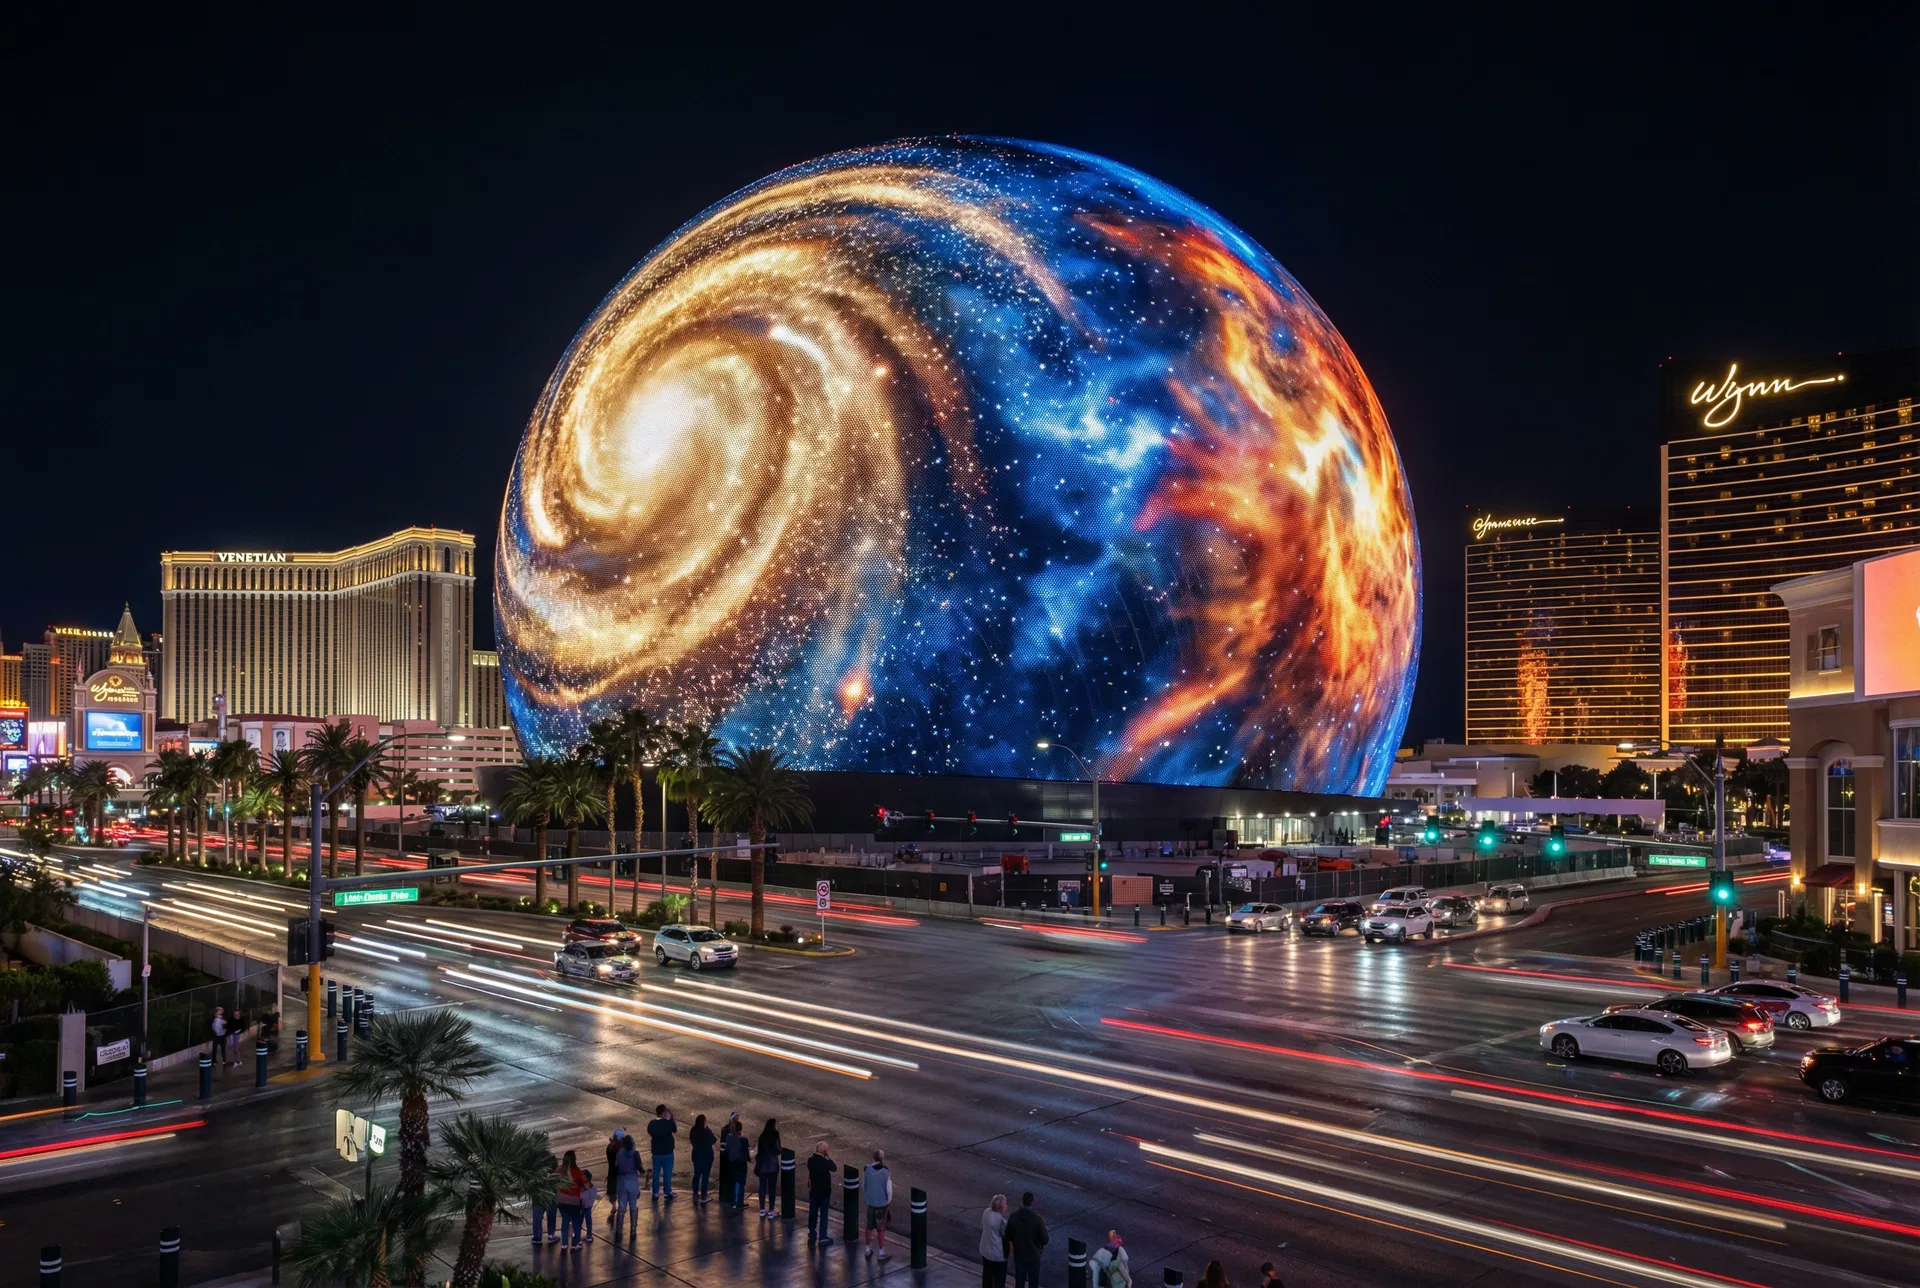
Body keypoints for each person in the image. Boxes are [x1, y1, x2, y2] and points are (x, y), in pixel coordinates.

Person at [1004, 1192, 1047, 1288]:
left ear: (1022, 1202)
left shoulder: (1013, 1217)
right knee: (1033, 1282)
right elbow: (1045, 1240)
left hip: (1019, 1254)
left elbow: (1007, 1235)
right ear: (1032, 1203)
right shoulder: (1038, 1220)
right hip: (1034, 1255)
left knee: (1019, 1281)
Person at [861, 1149, 893, 1260]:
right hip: (881, 1205)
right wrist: (887, 1202)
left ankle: (867, 1249)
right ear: (881, 1159)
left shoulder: (867, 1169)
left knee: (869, 1227)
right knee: (880, 1229)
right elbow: (889, 1191)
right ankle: (881, 1253)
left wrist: (868, 1197)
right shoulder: (885, 1172)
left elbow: (864, 1186)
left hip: (871, 1203)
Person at [806, 1140, 836, 1247]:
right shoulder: (825, 1162)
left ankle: (812, 1232)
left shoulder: (810, 1161)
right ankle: (822, 1237)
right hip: (824, 1192)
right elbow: (834, 1167)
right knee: (824, 1215)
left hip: (814, 1192)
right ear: (824, 1151)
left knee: (813, 1213)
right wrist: (827, 1157)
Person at [530, 1154, 565, 1245]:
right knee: (551, 1216)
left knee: (537, 1218)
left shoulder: (535, 1173)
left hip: (537, 1198)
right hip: (550, 1198)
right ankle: (551, 1235)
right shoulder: (554, 1175)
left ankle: (537, 1237)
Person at [555, 1149, 586, 1250]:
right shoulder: (578, 1172)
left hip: (561, 1201)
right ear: (574, 1159)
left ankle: (564, 1244)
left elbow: (554, 1182)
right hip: (574, 1201)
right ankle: (575, 1244)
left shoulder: (558, 1170)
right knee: (576, 1221)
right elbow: (587, 1185)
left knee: (565, 1220)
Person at [611, 1134, 642, 1236]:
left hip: (622, 1182)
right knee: (633, 1207)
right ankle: (633, 1231)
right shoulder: (635, 1154)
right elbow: (640, 1169)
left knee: (622, 1207)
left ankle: (619, 1232)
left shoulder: (619, 1153)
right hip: (633, 1182)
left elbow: (616, 1167)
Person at [647, 1103, 678, 1200]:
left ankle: (655, 1193)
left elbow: (650, 1132)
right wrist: (670, 1118)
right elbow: (675, 1129)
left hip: (656, 1153)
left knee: (656, 1174)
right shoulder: (668, 1123)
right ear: (664, 1112)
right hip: (667, 1153)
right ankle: (667, 1192)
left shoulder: (652, 1124)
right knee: (667, 1174)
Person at [978, 1194, 1009, 1287]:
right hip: (997, 1255)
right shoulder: (1001, 1222)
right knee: (999, 1280)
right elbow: (1007, 1235)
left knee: (987, 1277)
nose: (1006, 1206)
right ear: (1001, 1208)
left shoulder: (986, 1212)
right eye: (1005, 1204)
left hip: (986, 1251)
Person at [755, 1118, 782, 1218]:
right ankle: (771, 1210)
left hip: (762, 1165)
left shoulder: (762, 1135)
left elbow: (759, 1150)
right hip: (772, 1165)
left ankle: (762, 1209)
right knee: (772, 1188)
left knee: (762, 1187)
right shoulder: (775, 1134)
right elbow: (778, 1149)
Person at [689, 1113, 716, 1205]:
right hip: (706, 1157)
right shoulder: (706, 1132)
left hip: (696, 1156)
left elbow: (691, 1140)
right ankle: (704, 1195)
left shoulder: (693, 1130)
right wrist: (707, 1128)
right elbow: (714, 1139)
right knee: (705, 1176)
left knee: (696, 1175)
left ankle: (695, 1192)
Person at [723, 1119, 751, 1209]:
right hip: (741, 1164)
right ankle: (739, 1203)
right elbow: (746, 1154)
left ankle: (733, 1201)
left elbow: (727, 1149)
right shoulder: (744, 1140)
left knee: (733, 1182)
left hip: (732, 1163)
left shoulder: (729, 1137)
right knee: (741, 1184)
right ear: (741, 1129)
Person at [578, 1168, 600, 1243]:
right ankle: (589, 1235)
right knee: (588, 1220)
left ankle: (577, 1235)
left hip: (582, 1206)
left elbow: (580, 1196)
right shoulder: (593, 1188)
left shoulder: (582, 1189)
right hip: (588, 1206)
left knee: (579, 1220)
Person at [210, 1007, 229, 1074]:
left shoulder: (222, 1018)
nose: (221, 1011)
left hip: (220, 1035)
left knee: (221, 1048)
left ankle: (222, 1060)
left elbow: (226, 1024)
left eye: (221, 1010)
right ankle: (215, 1060)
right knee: (216, 1048)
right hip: (218, 1035)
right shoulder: (215, 1018)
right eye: (220, 1010)